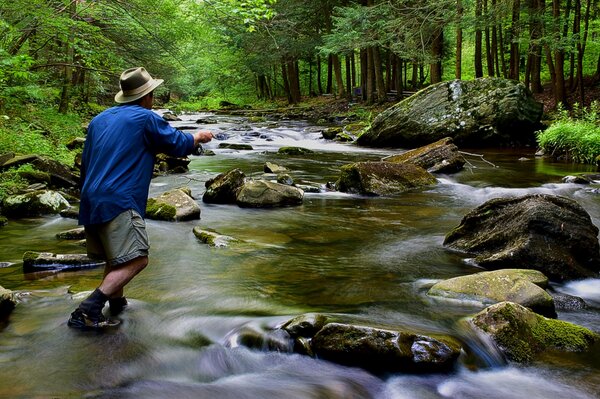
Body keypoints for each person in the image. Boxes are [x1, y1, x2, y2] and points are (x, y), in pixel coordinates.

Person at [67, 67, 213, 329]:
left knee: (116, 257)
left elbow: (85, 164)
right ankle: (89, 309)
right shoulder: (145, 118)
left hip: (91, 197)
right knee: (137, 259)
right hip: (119, 198)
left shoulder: (99, 120)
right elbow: (177, 144)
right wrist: (198, 137)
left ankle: (117, 303)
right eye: (152, 94)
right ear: (147, 96)